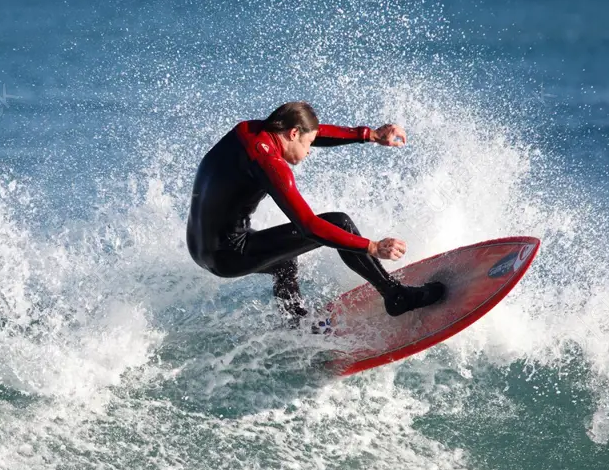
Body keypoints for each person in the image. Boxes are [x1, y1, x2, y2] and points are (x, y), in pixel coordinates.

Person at [186, 101, 445, 326]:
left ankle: (295, 326)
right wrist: (372, 247)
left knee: (285, 262)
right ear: (293, 133)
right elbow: (308, 226)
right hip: (229, 255)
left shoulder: (250, 132)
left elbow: (314, 133)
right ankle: (395, 296)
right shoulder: (269, 164)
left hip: (201, 248)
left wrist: (370, 135)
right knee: (339, 223)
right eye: (308, 144)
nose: (309, 150)